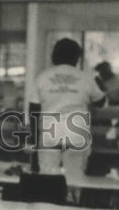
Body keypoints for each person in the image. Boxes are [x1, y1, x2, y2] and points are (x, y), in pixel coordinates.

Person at [27, 38, 105, 180]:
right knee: (75, 176)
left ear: (54, 56)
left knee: (47, 176)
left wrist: (34, 139)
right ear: (77, 57)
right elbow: (100, 102)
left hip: (51, 128)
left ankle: (49, 201)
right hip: (77, 128)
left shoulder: (42, 77)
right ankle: (72, 199)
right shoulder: (86, 78)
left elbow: (33, 109)